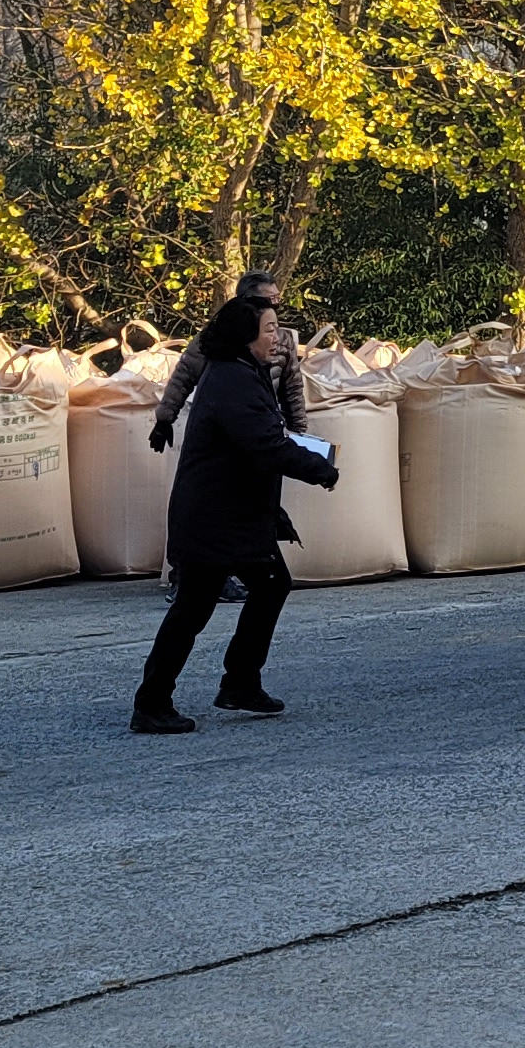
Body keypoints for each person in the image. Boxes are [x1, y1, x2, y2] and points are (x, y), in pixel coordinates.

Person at [134, 293, 340, 733]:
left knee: (270, 586)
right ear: (246, 336)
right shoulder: (233, 380)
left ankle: (241, 683)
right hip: (215, 520)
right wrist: (319, 469)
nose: (277, 338)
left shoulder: (243, 373)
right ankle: (152, 703)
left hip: (236, 515)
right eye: (269, 330)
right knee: (193, 609)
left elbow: (268, 435)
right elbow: (265, 444)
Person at [149, 270, 304, 455]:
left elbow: (293, 390)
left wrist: (298, 434)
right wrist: (164, 419)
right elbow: (184, 376)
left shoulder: (282, 341)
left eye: (278, 300)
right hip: (221, 436)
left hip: (263, 432)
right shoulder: (214, 339)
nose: (275, 306)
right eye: (268, 301)